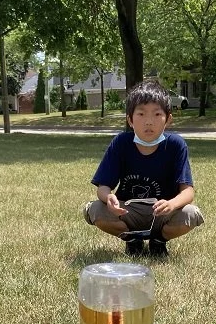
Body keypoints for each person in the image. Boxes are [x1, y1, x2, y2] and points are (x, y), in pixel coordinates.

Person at [84, 80, 203, 257]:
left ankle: (159, 241)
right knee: (95, 210)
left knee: (190, 214)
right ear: (130, 120)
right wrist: (108, 197)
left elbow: (188, 192)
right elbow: (103, 187)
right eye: (141, 114)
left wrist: (171, 204)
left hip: (162, 212)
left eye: (157, 114)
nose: (149, 122)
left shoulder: (176, 145)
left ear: (168, 119)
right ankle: (133, 240)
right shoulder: (121, 143)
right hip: (127, 211)